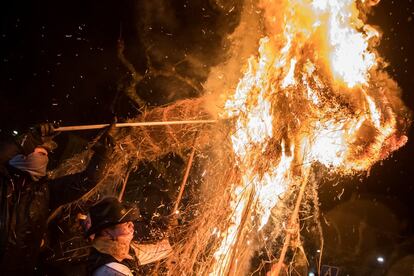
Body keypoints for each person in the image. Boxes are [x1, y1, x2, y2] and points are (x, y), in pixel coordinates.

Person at [0, 123, 113, 275]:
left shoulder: (45, 191)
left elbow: (86, 181)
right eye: (40, 152)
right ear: (22, 154)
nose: (44, 158)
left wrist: (102, 155)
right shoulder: (4, 181)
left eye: (46, 155)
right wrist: (24, 141)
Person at [87, 197, 172, 276]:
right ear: (107, 232)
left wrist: (173, 241)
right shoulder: (110, 270)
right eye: (126, 225)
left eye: (130, 222)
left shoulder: (121, 252)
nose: (132, 226)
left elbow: (152, 252)